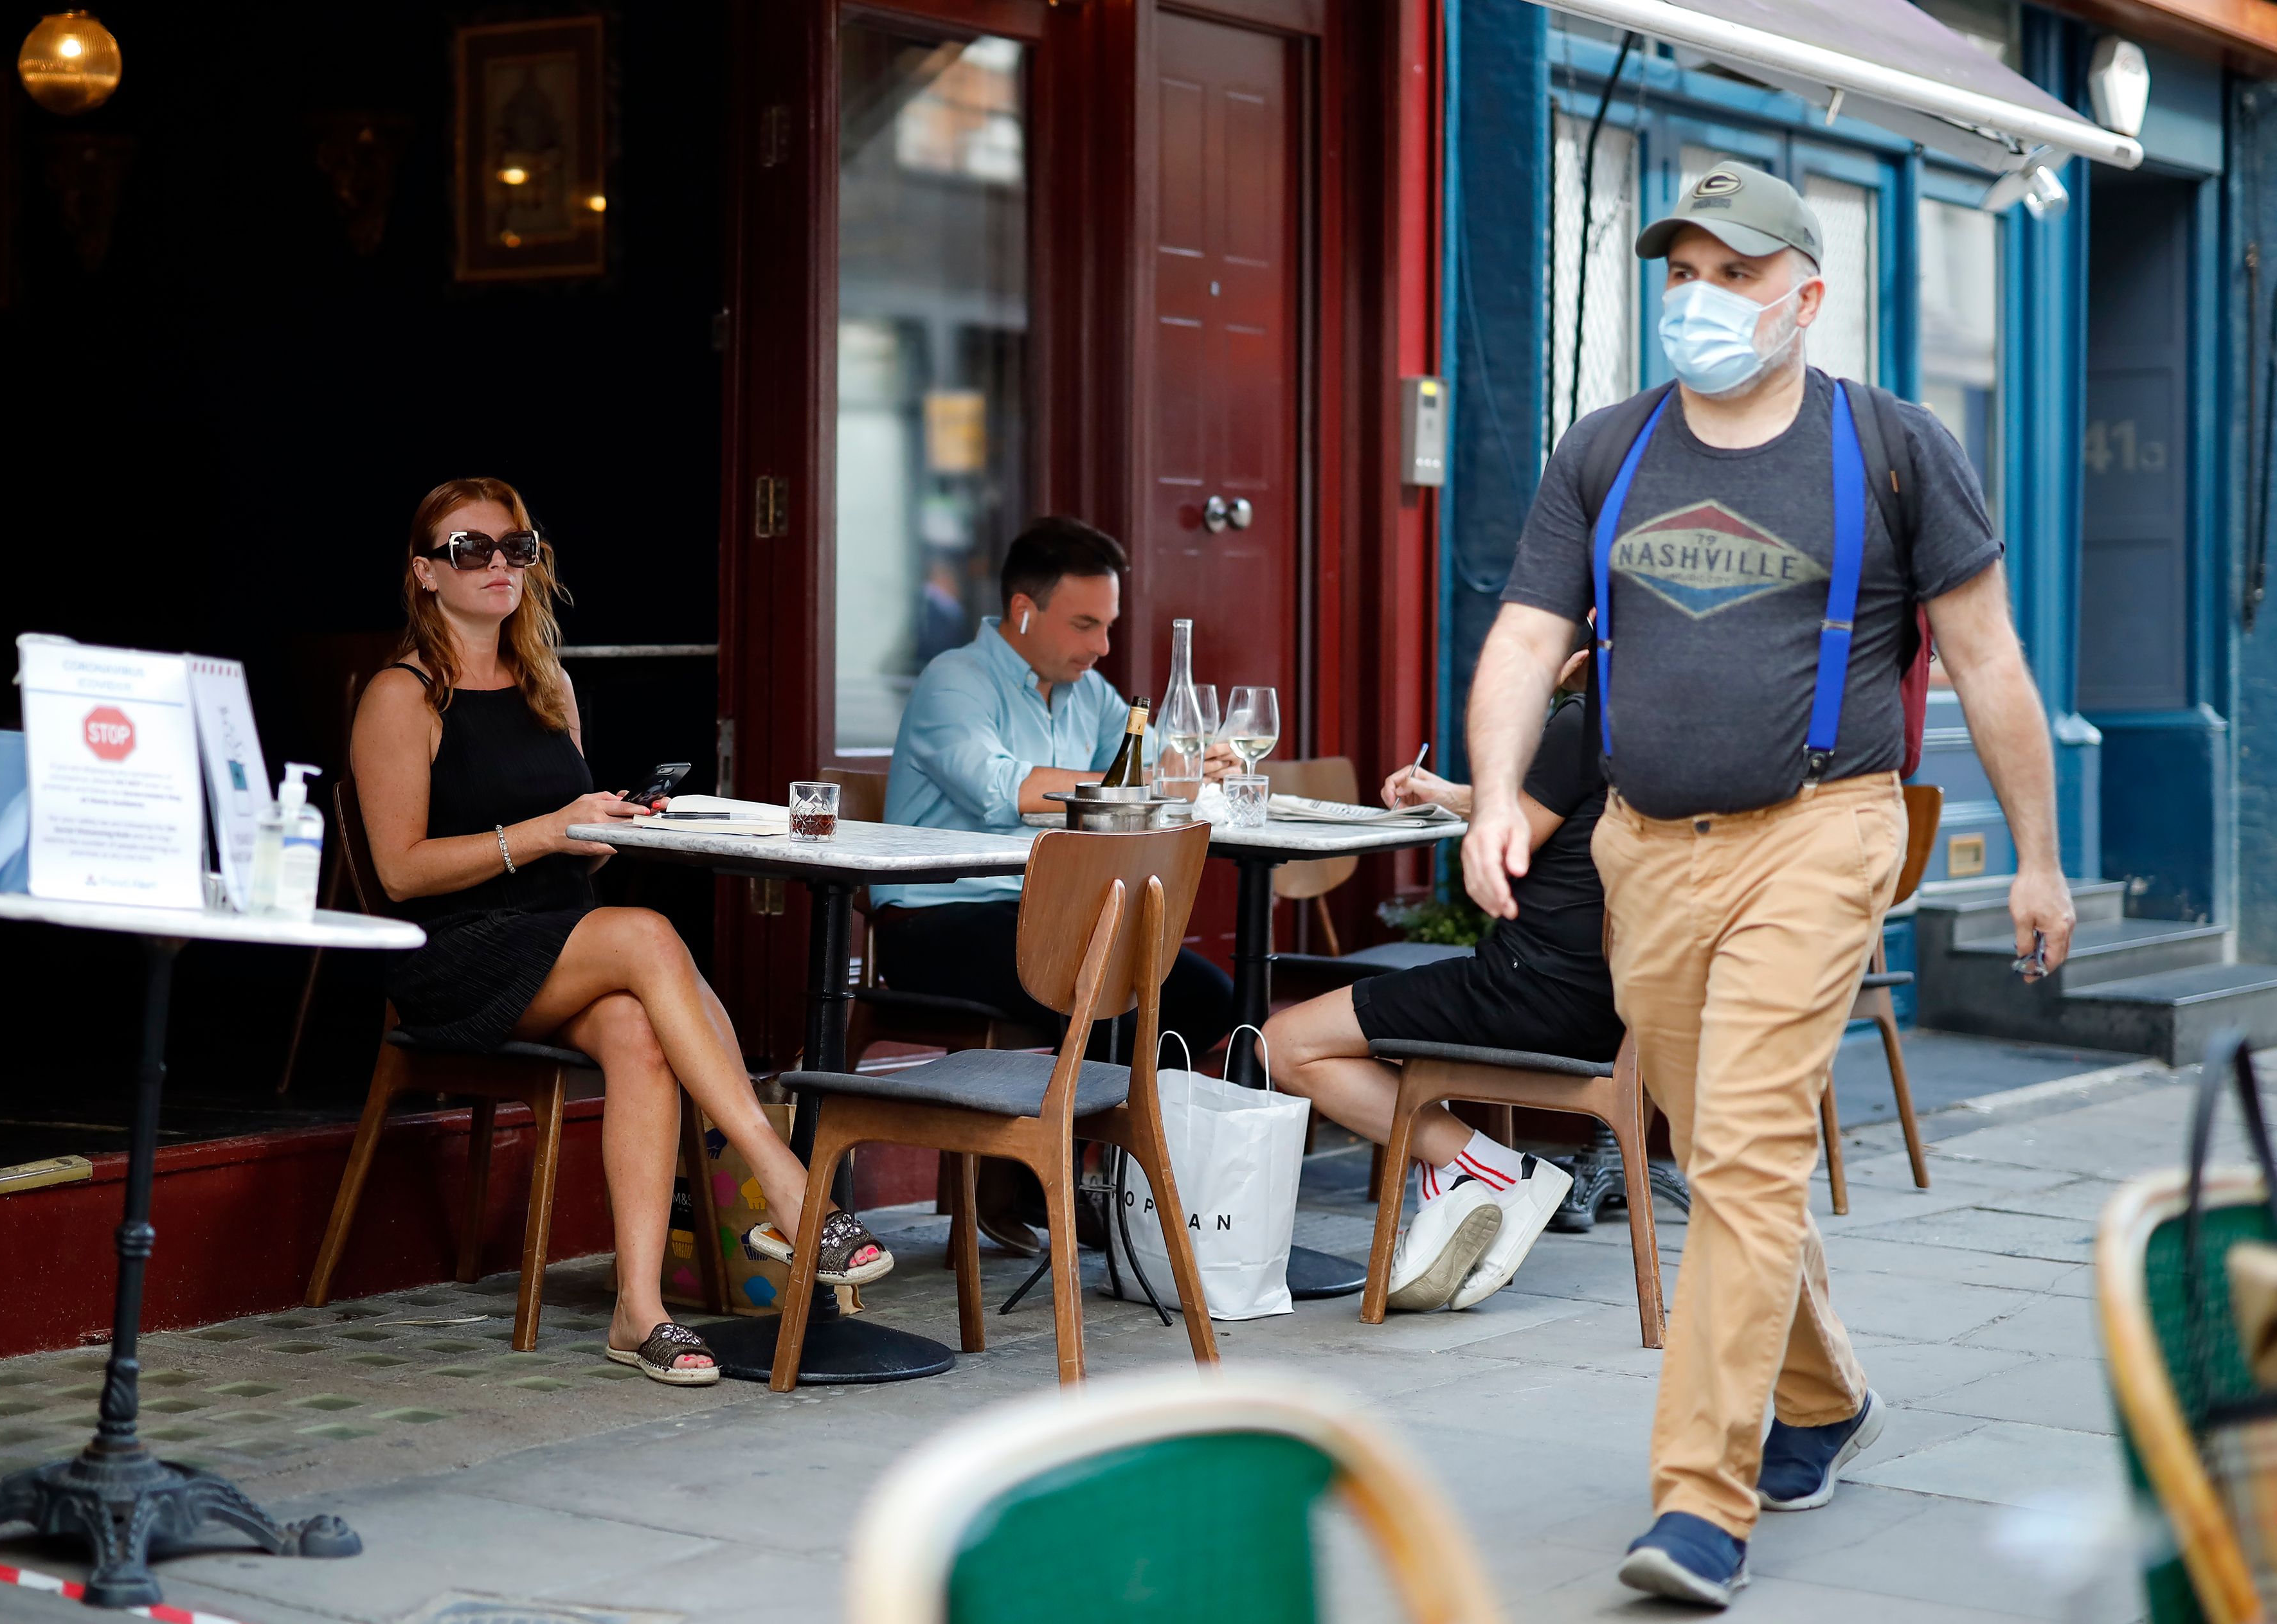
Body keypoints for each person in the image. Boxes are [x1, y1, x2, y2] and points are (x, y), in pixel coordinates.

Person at [1466, 164, 2077, 1607]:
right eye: (1681, 267)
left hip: (1819, 830)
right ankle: (1818, 1396)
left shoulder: (1893, 447)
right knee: (1712, 1150)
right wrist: (1497, 791)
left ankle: (1697, 1503)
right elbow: (1522, 633)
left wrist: (2037, 858)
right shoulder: (1602, 451)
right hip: (1642, 852)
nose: (1701, 297)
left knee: (1742, 1153)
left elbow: (1986, 664)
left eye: (1734, 273)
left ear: (1805, 293)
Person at [352, 476, 894, 1389]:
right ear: (423, 572)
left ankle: (637, 1311)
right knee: (644, 931)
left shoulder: (546, 684)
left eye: (515, 548)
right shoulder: (402, 697)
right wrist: (549, 830)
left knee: (640, 1029)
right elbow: (401, 867)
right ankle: (788, 1184)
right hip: (455, 954)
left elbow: (575, 847)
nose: (497, 564)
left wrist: (607, 825)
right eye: (469, 548)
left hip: (559, 935)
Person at [872, 515, 1238, 1253]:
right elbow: (999, 787)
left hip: (1044, 916)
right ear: (1022, 610)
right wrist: (1139, 781)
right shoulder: (955, 680)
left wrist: (1199, 763)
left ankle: (1079, 1175)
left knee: (1197, 993)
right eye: (1084, 624)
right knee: (1105, 977)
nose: (1102, 646)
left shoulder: (1089, 692)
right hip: (936, 920)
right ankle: (1047, 1180)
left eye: (1108, 625)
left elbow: (1159, 760)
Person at [1263, 630, 1609, 1314]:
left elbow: (1515, 831)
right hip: (1617, 1002)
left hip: (1532, 987)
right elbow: (1543, 808)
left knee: (1283, 1043)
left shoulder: (1586, 718)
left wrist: (1554, 694)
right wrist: (1444, 793)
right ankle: (1455, 1183)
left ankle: (1494, 1171)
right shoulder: (1671, 731)